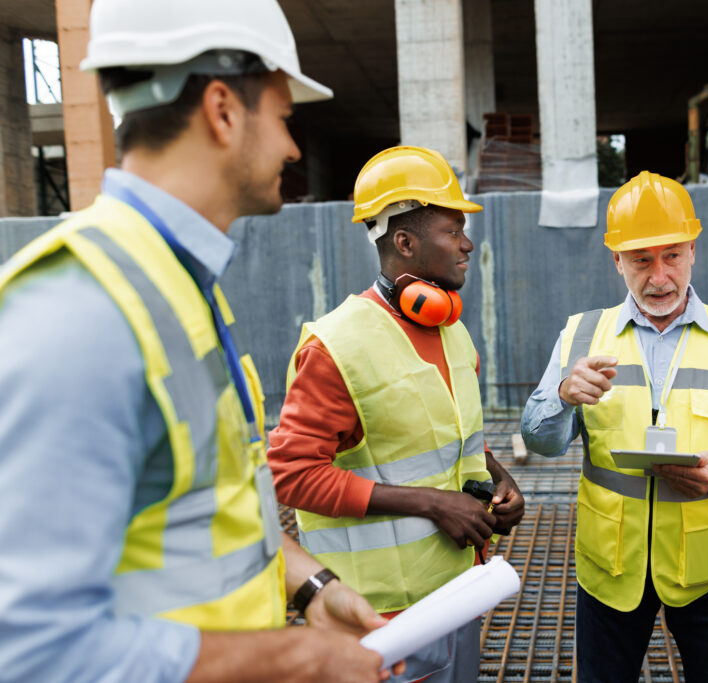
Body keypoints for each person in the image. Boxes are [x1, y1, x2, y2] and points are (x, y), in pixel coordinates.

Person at [0, 1, 401, 681]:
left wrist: (309, 587)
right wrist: (291, 657)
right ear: (222, 109)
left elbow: (199, 519)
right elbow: (32, 650)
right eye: (282, 116)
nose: (294, 147)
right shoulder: (82, 315)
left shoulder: (174, 283)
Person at [520, 171, 708, 683]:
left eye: (672, 256)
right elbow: (539, 441)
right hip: (611, 567)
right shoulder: (582, 333)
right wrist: (562, 397)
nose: (659, 277)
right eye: (641, 260)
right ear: (617, 261)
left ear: (693, 250)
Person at [267, 145, 526, 683]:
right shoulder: (337, 346)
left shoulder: (452, 330)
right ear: (405, 243)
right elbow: (290, 476)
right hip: (376, 619)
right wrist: (433, 505)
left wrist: (499, 481)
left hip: (455, 595)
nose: (467, 243)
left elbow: (454, 437)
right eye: (452, 231)